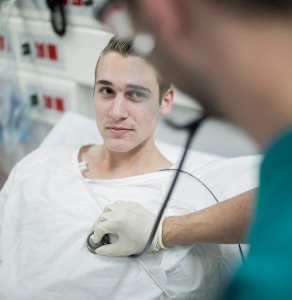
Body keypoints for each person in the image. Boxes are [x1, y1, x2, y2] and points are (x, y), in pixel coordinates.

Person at [0, 36, 254, 299]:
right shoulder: (37, 166)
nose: (117, 112)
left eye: (135, 94)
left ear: (165, 102)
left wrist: (162, 232)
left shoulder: (188, 203)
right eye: (107, 91)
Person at [91, 1, 292, 300]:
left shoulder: (270, 281)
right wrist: (165, 231)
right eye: (106, 90)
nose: (117, 111)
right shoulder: (280, 173)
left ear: (164, 12)